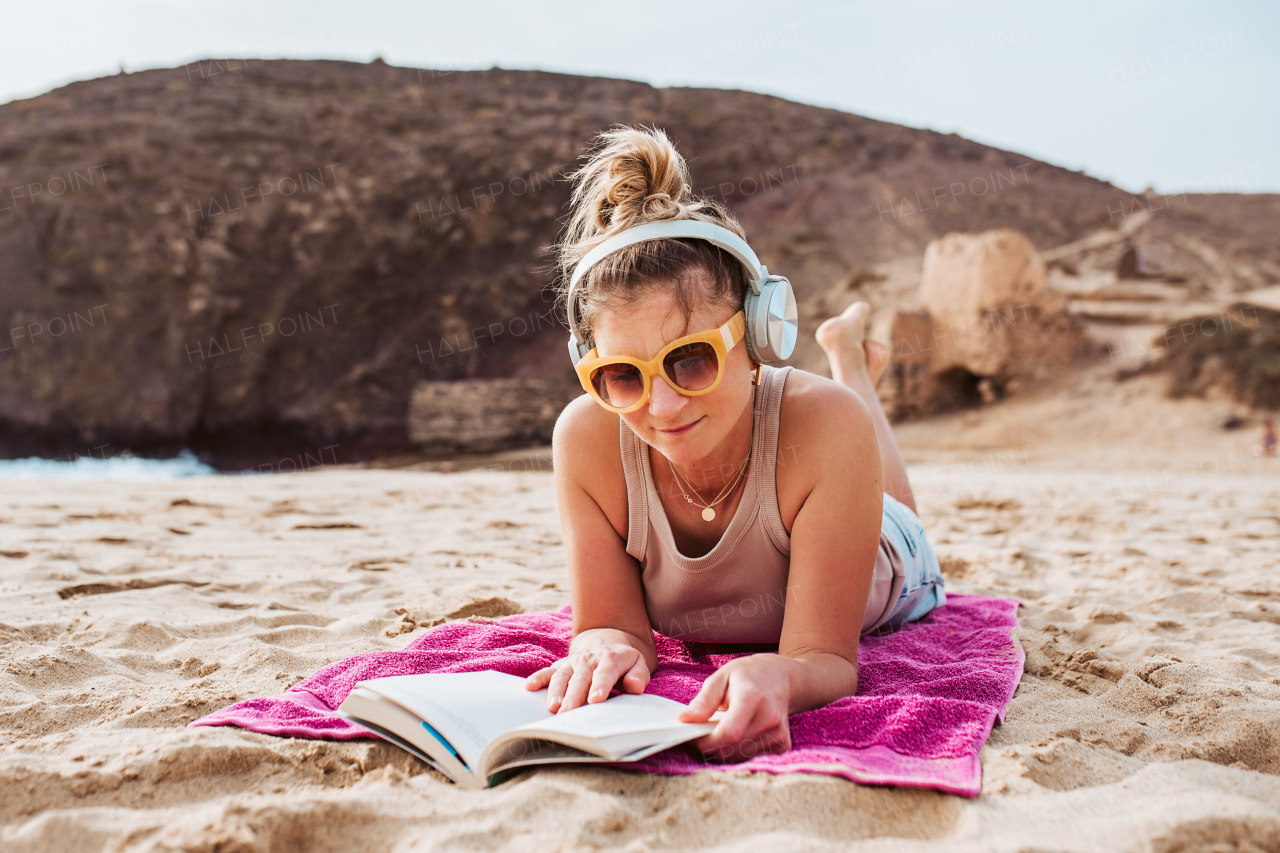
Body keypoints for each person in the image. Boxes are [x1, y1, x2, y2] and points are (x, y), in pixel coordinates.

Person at [525, 126, 945, 761]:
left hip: (889, 554)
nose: (660, 407)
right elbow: (612, 624)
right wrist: (605, 643)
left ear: (759, 335)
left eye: (690, 360)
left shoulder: (826, 423)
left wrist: (784, 673)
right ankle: (849, 364)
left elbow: (824, 658)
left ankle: (852, 366)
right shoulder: (587, 438)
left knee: (896, 507)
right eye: (621, 376)